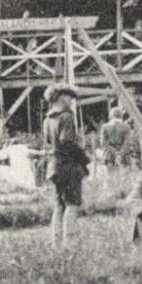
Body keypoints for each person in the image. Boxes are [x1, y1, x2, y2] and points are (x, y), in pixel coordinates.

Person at [42, 84, 89, 244]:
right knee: (72, 203)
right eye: (70, 97)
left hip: (54, 165)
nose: (71, 100)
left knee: (59, 204)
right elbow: (67, 142)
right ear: (62, 97)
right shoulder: (67, 116)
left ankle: (56, 241)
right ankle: (70, 241)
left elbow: (49, 141)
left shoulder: (48, 119)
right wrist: (83, 156)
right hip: (69, 165)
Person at [98, 105, 134, 174]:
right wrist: (120, 154)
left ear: (110, 116)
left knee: (112, 181)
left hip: (110, 159)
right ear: (121, 116)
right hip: (124, 159)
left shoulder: (104, 127)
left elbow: (103, 144)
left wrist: (115, 153)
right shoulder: (126, 127)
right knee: (126, 181)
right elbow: (128, 143)